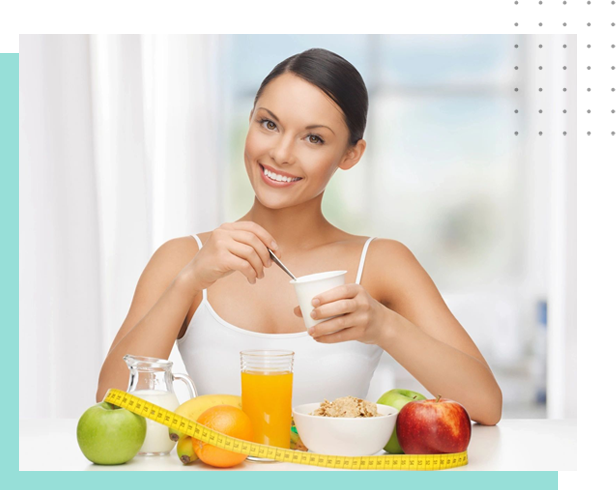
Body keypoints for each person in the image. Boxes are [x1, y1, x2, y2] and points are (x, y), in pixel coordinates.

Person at [96, 48, 502, 425]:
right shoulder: (184, 257)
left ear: (350, 155)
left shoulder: (381, 263)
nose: (281, 153)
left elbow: (486, 406)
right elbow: (109, 405)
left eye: (314, 138)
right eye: (268, 124)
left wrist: (383, 326)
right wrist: (188, 281)